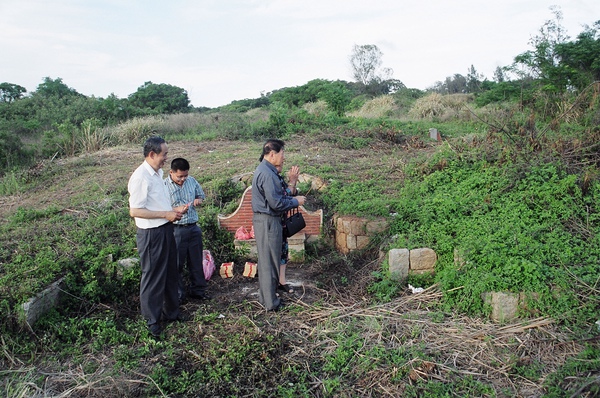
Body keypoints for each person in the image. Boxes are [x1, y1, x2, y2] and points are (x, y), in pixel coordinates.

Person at [127, 136, 188, 337]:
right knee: (153, 276)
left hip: (165, 229)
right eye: (164, 154)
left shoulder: (157, 173)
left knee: (171, 273)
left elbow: (155, 204)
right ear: (152, 154)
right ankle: (151, 321)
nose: (166, 158)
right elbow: (135, 211)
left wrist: (172, 211)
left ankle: (171, 312)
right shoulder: (140, 177)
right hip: (151, 234)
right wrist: (165, 214)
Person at [251, 139, 306, 311]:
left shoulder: (267, 170)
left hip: (268, 220)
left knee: (270, 260)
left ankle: (267, 298)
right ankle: (271, 303)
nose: (284, 158)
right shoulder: (267, 174)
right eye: (282, 154)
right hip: (268, 220)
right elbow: (276, 203)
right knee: (269, 262)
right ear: (272, 154)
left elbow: (278, 196)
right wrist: (295, 201)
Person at [165, 157, 211, 303]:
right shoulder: (163, 186)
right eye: (180, 177)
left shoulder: (192, 181)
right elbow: (159, 209)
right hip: (176, 229)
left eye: (185, 175)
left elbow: (201, 196)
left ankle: (198, 290)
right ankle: (178, 295)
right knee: (177, 264)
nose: (183, 179)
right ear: (171, 172)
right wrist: (175, 210)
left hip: (193, 227)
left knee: (196, 262)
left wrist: (198, 200)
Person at [276, 163, 301, 294]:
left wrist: (293, 184)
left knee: (283, 253)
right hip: (273, 224)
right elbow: (283, 196)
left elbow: (290, 193)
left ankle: (282, 281)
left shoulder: (278, 177)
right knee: (275, 254)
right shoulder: (269, 177)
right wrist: (292, 182)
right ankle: (273, 283)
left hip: (282, 222)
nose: (281, 165)